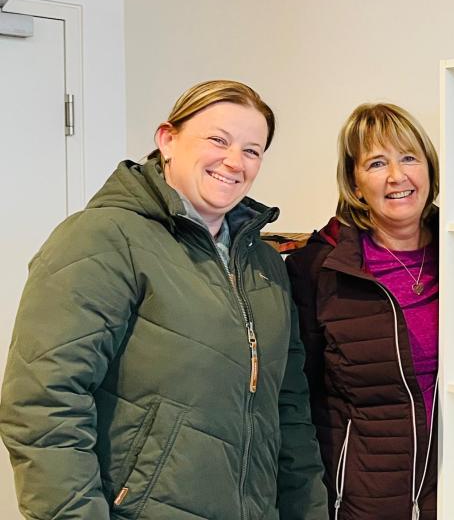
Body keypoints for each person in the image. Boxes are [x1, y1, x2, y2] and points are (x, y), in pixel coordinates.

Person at [0, 80, 327, 519]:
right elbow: (42, 403)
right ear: (167, 140)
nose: (234, 161)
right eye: (218, 140)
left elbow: (289, 410)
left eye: (252, 150)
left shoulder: (264, 264)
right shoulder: (102, 238)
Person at [287, 103, 440, 519]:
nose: (397, 176)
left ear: (429, 168)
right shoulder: (319, 269)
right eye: (377, 163)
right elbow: (299, 399)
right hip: (362, 499)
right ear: (355, 185)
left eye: (409, 157)